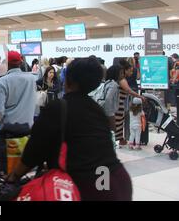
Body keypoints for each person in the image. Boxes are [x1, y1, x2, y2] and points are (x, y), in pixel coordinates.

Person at [8, 57, 132, 201]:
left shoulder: (58, 107)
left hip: (88, 185)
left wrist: (13, 176)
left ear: (69, 80)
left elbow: (34, 151)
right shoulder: (97, 110)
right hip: (118, 181)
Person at [0, 51, 37, 128]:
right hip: (28, 127)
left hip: (10, 129)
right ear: (20, 63)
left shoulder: (2, 81)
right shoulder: (31, 79)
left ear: (7, 64)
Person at [116, 60, 145, 147]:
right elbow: (129, 90)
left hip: (120, 103)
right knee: (118, 123)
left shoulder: (121, 79)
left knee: (120, 123)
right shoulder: (122, 80)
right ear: (125, 70)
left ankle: (121, 140)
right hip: (118, 104)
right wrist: (140, 96)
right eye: (130, 70)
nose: (131, 73)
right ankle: (117, 141)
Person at [103, 65, 123, 132]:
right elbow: (108, 99)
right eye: (121, 73)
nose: (122, 75)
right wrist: (110, 114)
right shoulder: (113, 85)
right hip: (109, 112)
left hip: (105, 111)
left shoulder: (108, 82)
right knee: (112, 132)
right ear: (116, 73)